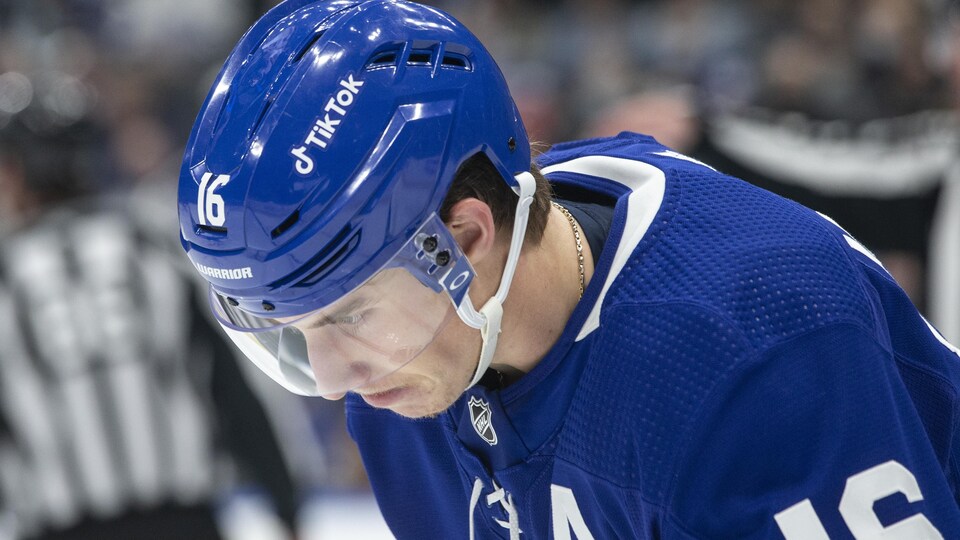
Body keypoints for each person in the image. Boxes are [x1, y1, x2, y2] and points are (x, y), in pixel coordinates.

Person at [177, 1, 960, 538]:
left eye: (346, 314)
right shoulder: (409, 375)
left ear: (467, 238)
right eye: (287, 331)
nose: (333, 376)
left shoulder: (755, 353)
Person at [0, 72, 300, 540]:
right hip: (183, 521)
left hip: (62, 525)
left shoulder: (8, 276)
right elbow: (227, 390)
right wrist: (284, 501)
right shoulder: (151, 247)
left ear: (17, 171)